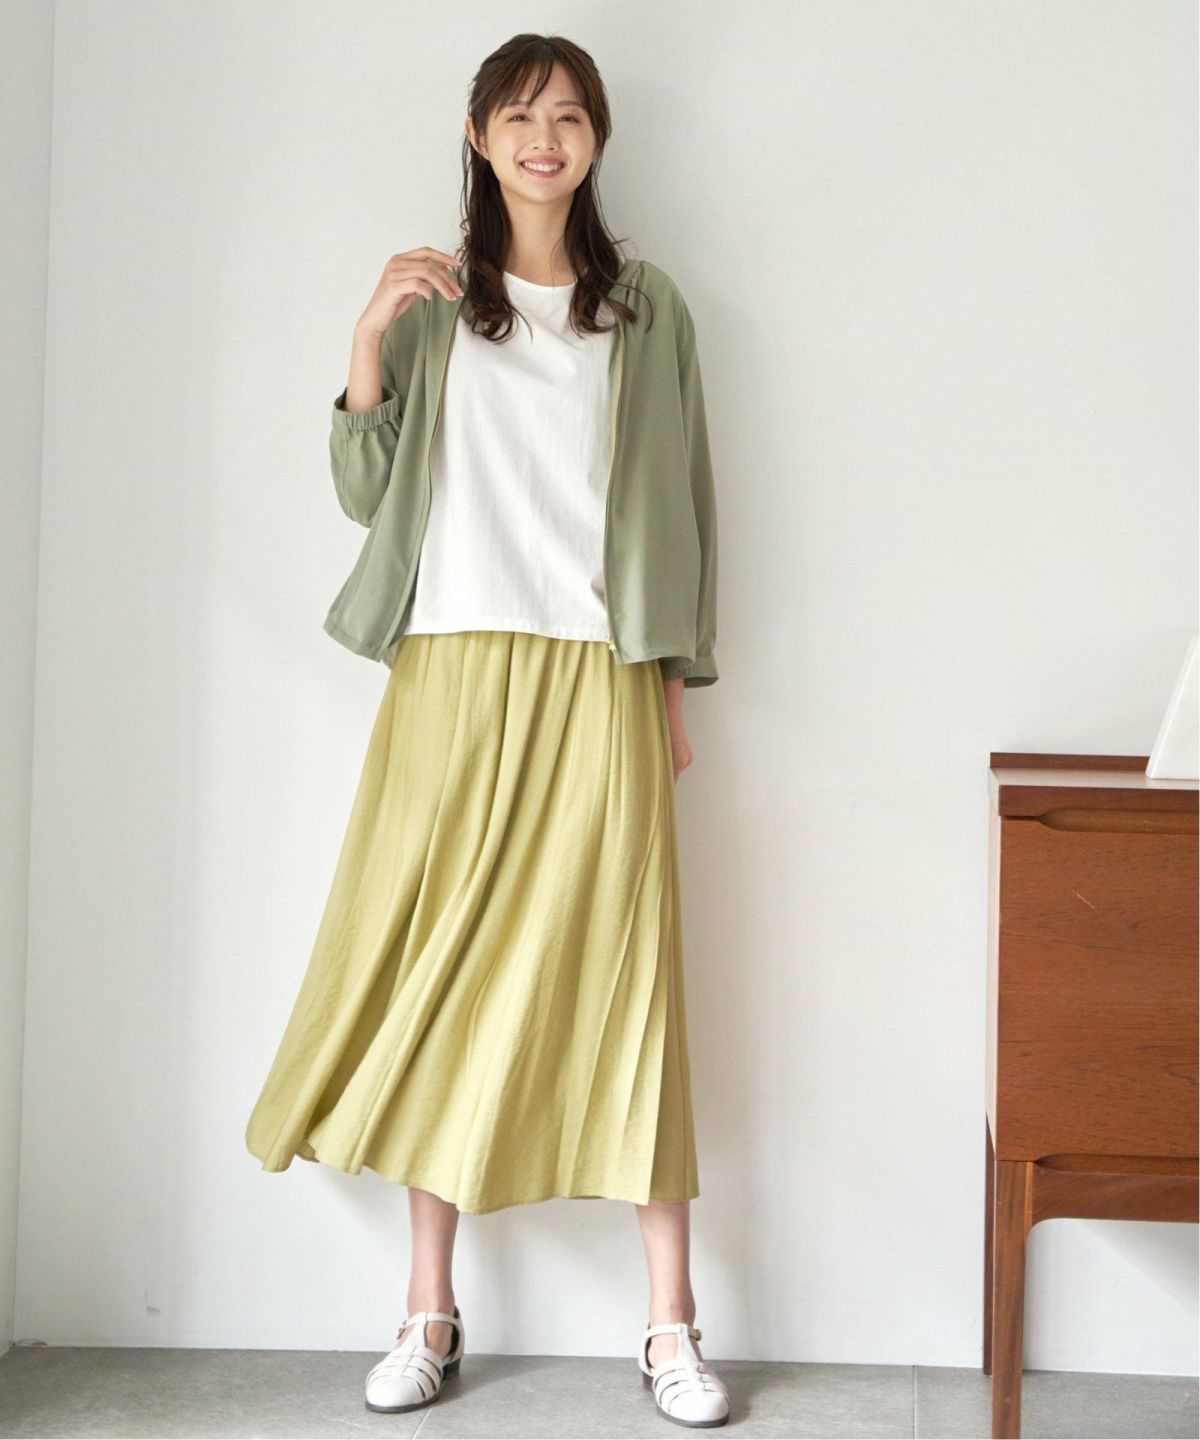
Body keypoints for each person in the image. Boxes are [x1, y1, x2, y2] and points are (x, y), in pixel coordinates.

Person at [244, 32, 728, 1428]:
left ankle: (672, 1325)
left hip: (600, 675)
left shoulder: (647, 308)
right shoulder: (438, 305)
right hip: (452, 670)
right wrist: (364, 341)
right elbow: (365, 493)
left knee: (631, 981)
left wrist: (674, 683)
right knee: (443, 973)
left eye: (568, 115)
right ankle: (429, 1311)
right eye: (518, 115)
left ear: (597, 139)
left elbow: (688, 504)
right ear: (477, 136)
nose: (544, 137)